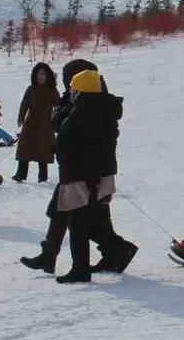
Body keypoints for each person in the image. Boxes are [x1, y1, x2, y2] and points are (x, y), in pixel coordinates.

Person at [19, 59, 136, 278]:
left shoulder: (88, 99)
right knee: (63, 210)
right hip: (83, 168)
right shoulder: (83, 96)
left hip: (86, 170)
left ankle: (115, 250)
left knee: (87, 219)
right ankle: (50, 254)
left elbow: (65, 125)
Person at [51, 67, 134, 283]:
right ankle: (118, 252)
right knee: (95, 220)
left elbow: (69, 141)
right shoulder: (104, 110)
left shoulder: (82, 112)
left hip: (81, 175)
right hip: (101, 174)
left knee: (77, 222)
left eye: (73, 90)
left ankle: (80, 269)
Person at [14, 62, 59, 182]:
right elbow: (24, 104)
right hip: (31, 124)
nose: (40, 76)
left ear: (48, 76)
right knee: (25, 148)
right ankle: (20, 174)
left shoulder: (52, 90)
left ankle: (42, 176)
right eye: (38, 74)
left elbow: (58, 106)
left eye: (43, 74)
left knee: (43, 150)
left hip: (46, 125)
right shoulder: (30, 89)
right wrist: (21, 118)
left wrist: (58, 121)